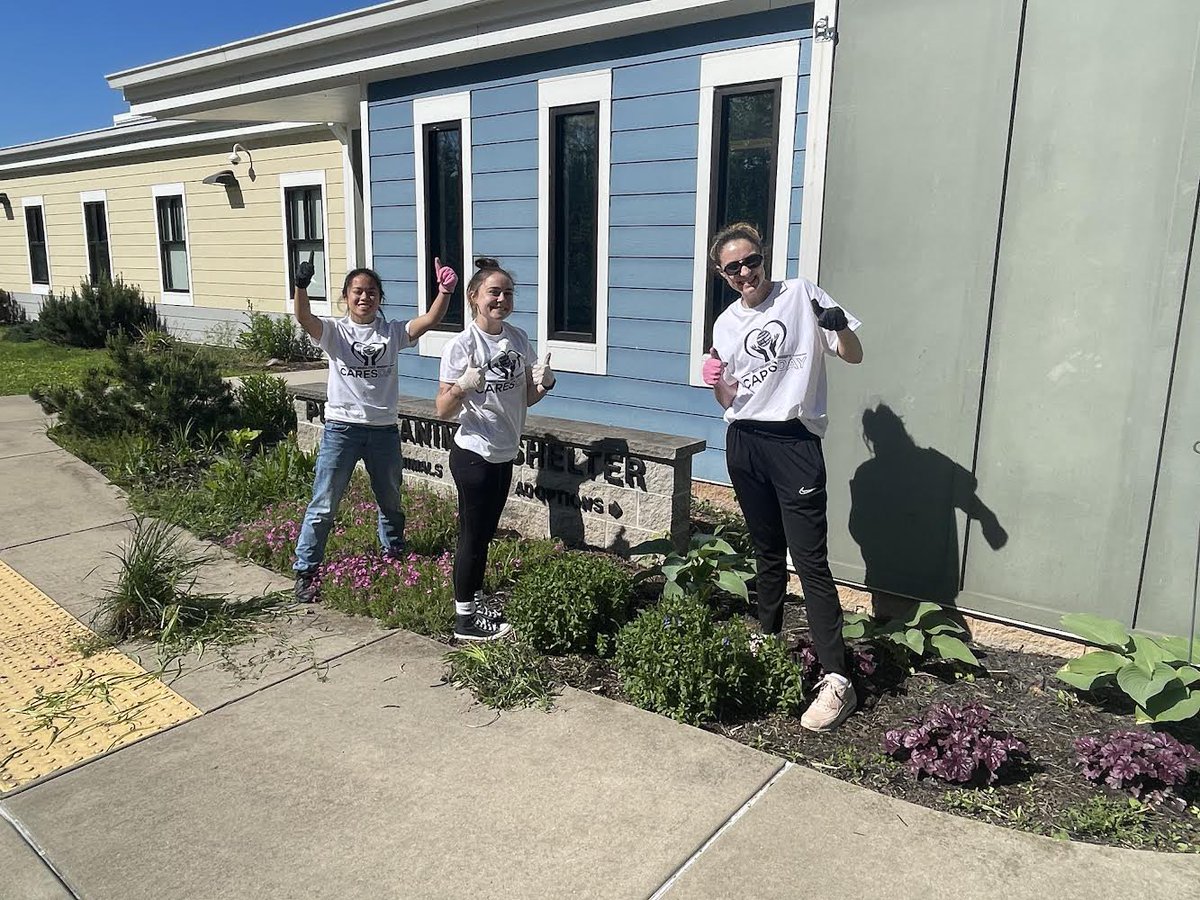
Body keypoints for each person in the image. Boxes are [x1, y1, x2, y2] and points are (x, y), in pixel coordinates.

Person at [701, 222, 864, 733]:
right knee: (765, 550)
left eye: (751, 261)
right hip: (745, 443)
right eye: (733, 267)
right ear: (722, 275)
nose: (745, 272)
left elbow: (853, 355)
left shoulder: (801, 295)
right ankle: (765, 634)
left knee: (810, 561)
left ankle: (839, 679)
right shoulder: (725, 323)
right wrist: (716, 386)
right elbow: (731, 396)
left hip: (794, 443)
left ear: (763, 257)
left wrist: (838, 326)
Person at [291, 255, 456, 603]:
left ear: (380, 297)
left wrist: (444, 291)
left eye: (371, 292)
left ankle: (394, 553)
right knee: (324, 503)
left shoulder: (392, 332)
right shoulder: (335, 332)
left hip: (383, 431)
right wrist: (301, 286)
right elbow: (304, 318)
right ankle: (306, 570)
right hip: (342, 430)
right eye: (357, 292)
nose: (364, 297)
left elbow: (428, 320)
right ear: (346, 297)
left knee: (391, 500)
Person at [435, 257, 555, 641]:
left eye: (507, 293)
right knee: (472, 533)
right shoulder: (461, 345)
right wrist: (461, 386)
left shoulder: (517, 339)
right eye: (493, 292)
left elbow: (523, 400)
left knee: (485, 532)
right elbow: (442, 409)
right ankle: (465, 619)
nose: (501, 298)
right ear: (474, 297)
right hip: (474, 452)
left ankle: (476, 598)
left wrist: (544, 384)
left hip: (504, 450)